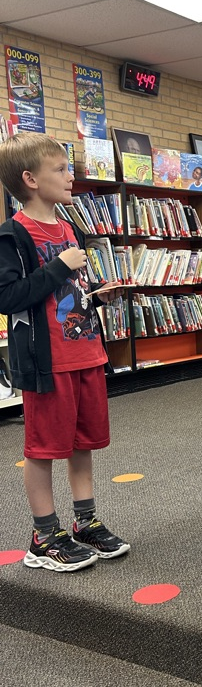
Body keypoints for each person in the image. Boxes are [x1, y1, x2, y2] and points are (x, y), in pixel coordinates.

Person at [0, 132, 130, 572]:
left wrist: (95, 297)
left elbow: (65, 298)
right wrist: (59, 267)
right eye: (59, 169)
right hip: (46, 362)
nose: (69, 176)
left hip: (85, 353)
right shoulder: (13, 234)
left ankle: (84, 522)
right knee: (42, 447)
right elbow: (9, 297)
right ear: (30, 179)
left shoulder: (67, 229)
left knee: (82, 443)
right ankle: (44, 535)